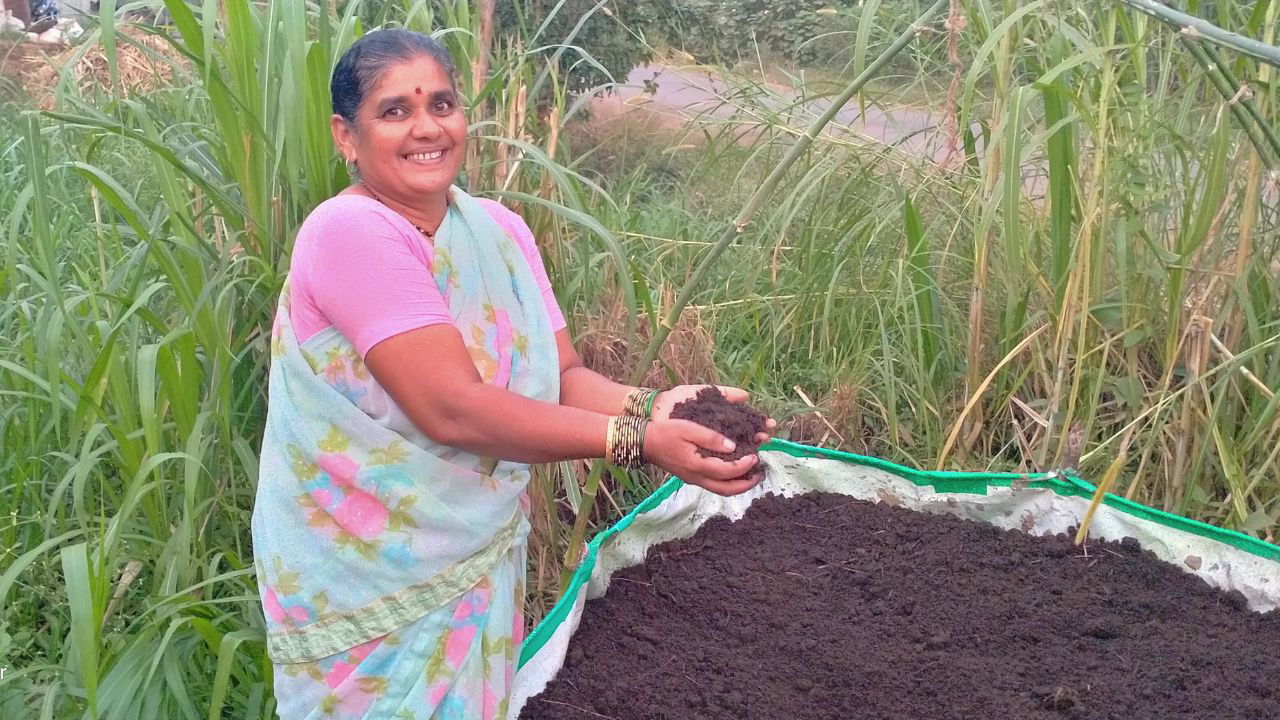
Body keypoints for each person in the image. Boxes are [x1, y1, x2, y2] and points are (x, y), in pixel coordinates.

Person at [251, 28, 774, 720]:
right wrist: (637, 440)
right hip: (369, 575)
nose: (426, 128)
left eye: (442, 103)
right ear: (346, 136)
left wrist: (661, 406)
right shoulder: (349, 233)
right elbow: (456, 411)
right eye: (395, 111)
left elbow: (559, 375)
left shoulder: (498, 230)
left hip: (473, 556)